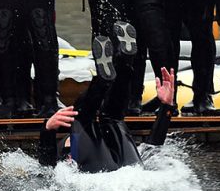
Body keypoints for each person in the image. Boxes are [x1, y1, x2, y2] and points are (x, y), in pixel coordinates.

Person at [38, 57, 176, 173]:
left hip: (104, 178)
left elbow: (46, 169)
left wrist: (47, 130)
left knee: (90, 119)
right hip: (132, 174)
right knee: (112, 118)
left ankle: (109, 75)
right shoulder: (86, 138)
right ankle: (125, 62)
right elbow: (152, 149)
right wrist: (166, 107)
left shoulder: (93, 136)